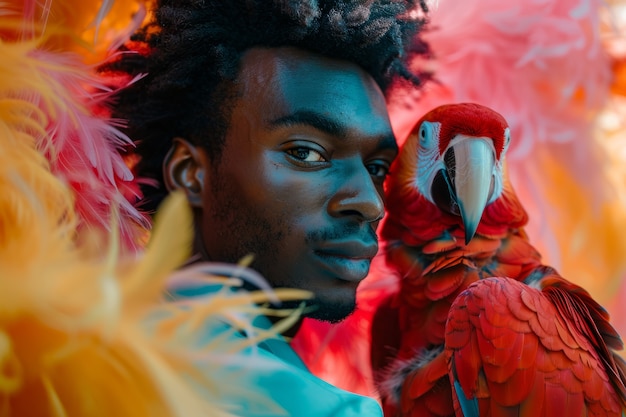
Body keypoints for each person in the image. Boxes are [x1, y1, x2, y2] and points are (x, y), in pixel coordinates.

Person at [104, 0, 430, 415]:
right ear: (190, 173)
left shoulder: (71, 349)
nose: (368, 203)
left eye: (377, 167)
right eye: (306, 153)